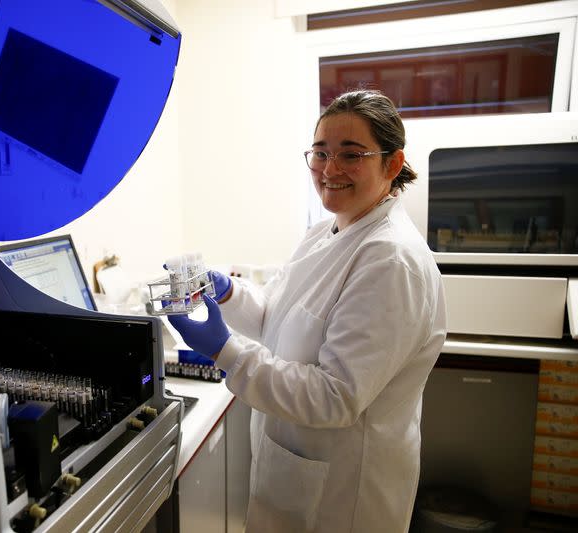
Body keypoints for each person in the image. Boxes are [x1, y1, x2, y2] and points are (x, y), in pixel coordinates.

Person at [169, 89, 447, 532]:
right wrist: (228, 295)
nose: (330, 169)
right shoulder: (327, 231)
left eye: (351, 154)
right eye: (320, 153)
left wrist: (225, 351)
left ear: (392, 164)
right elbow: (278, 316)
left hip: (344, 494)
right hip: (295, 471)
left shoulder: (391, 260)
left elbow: (335, 396)